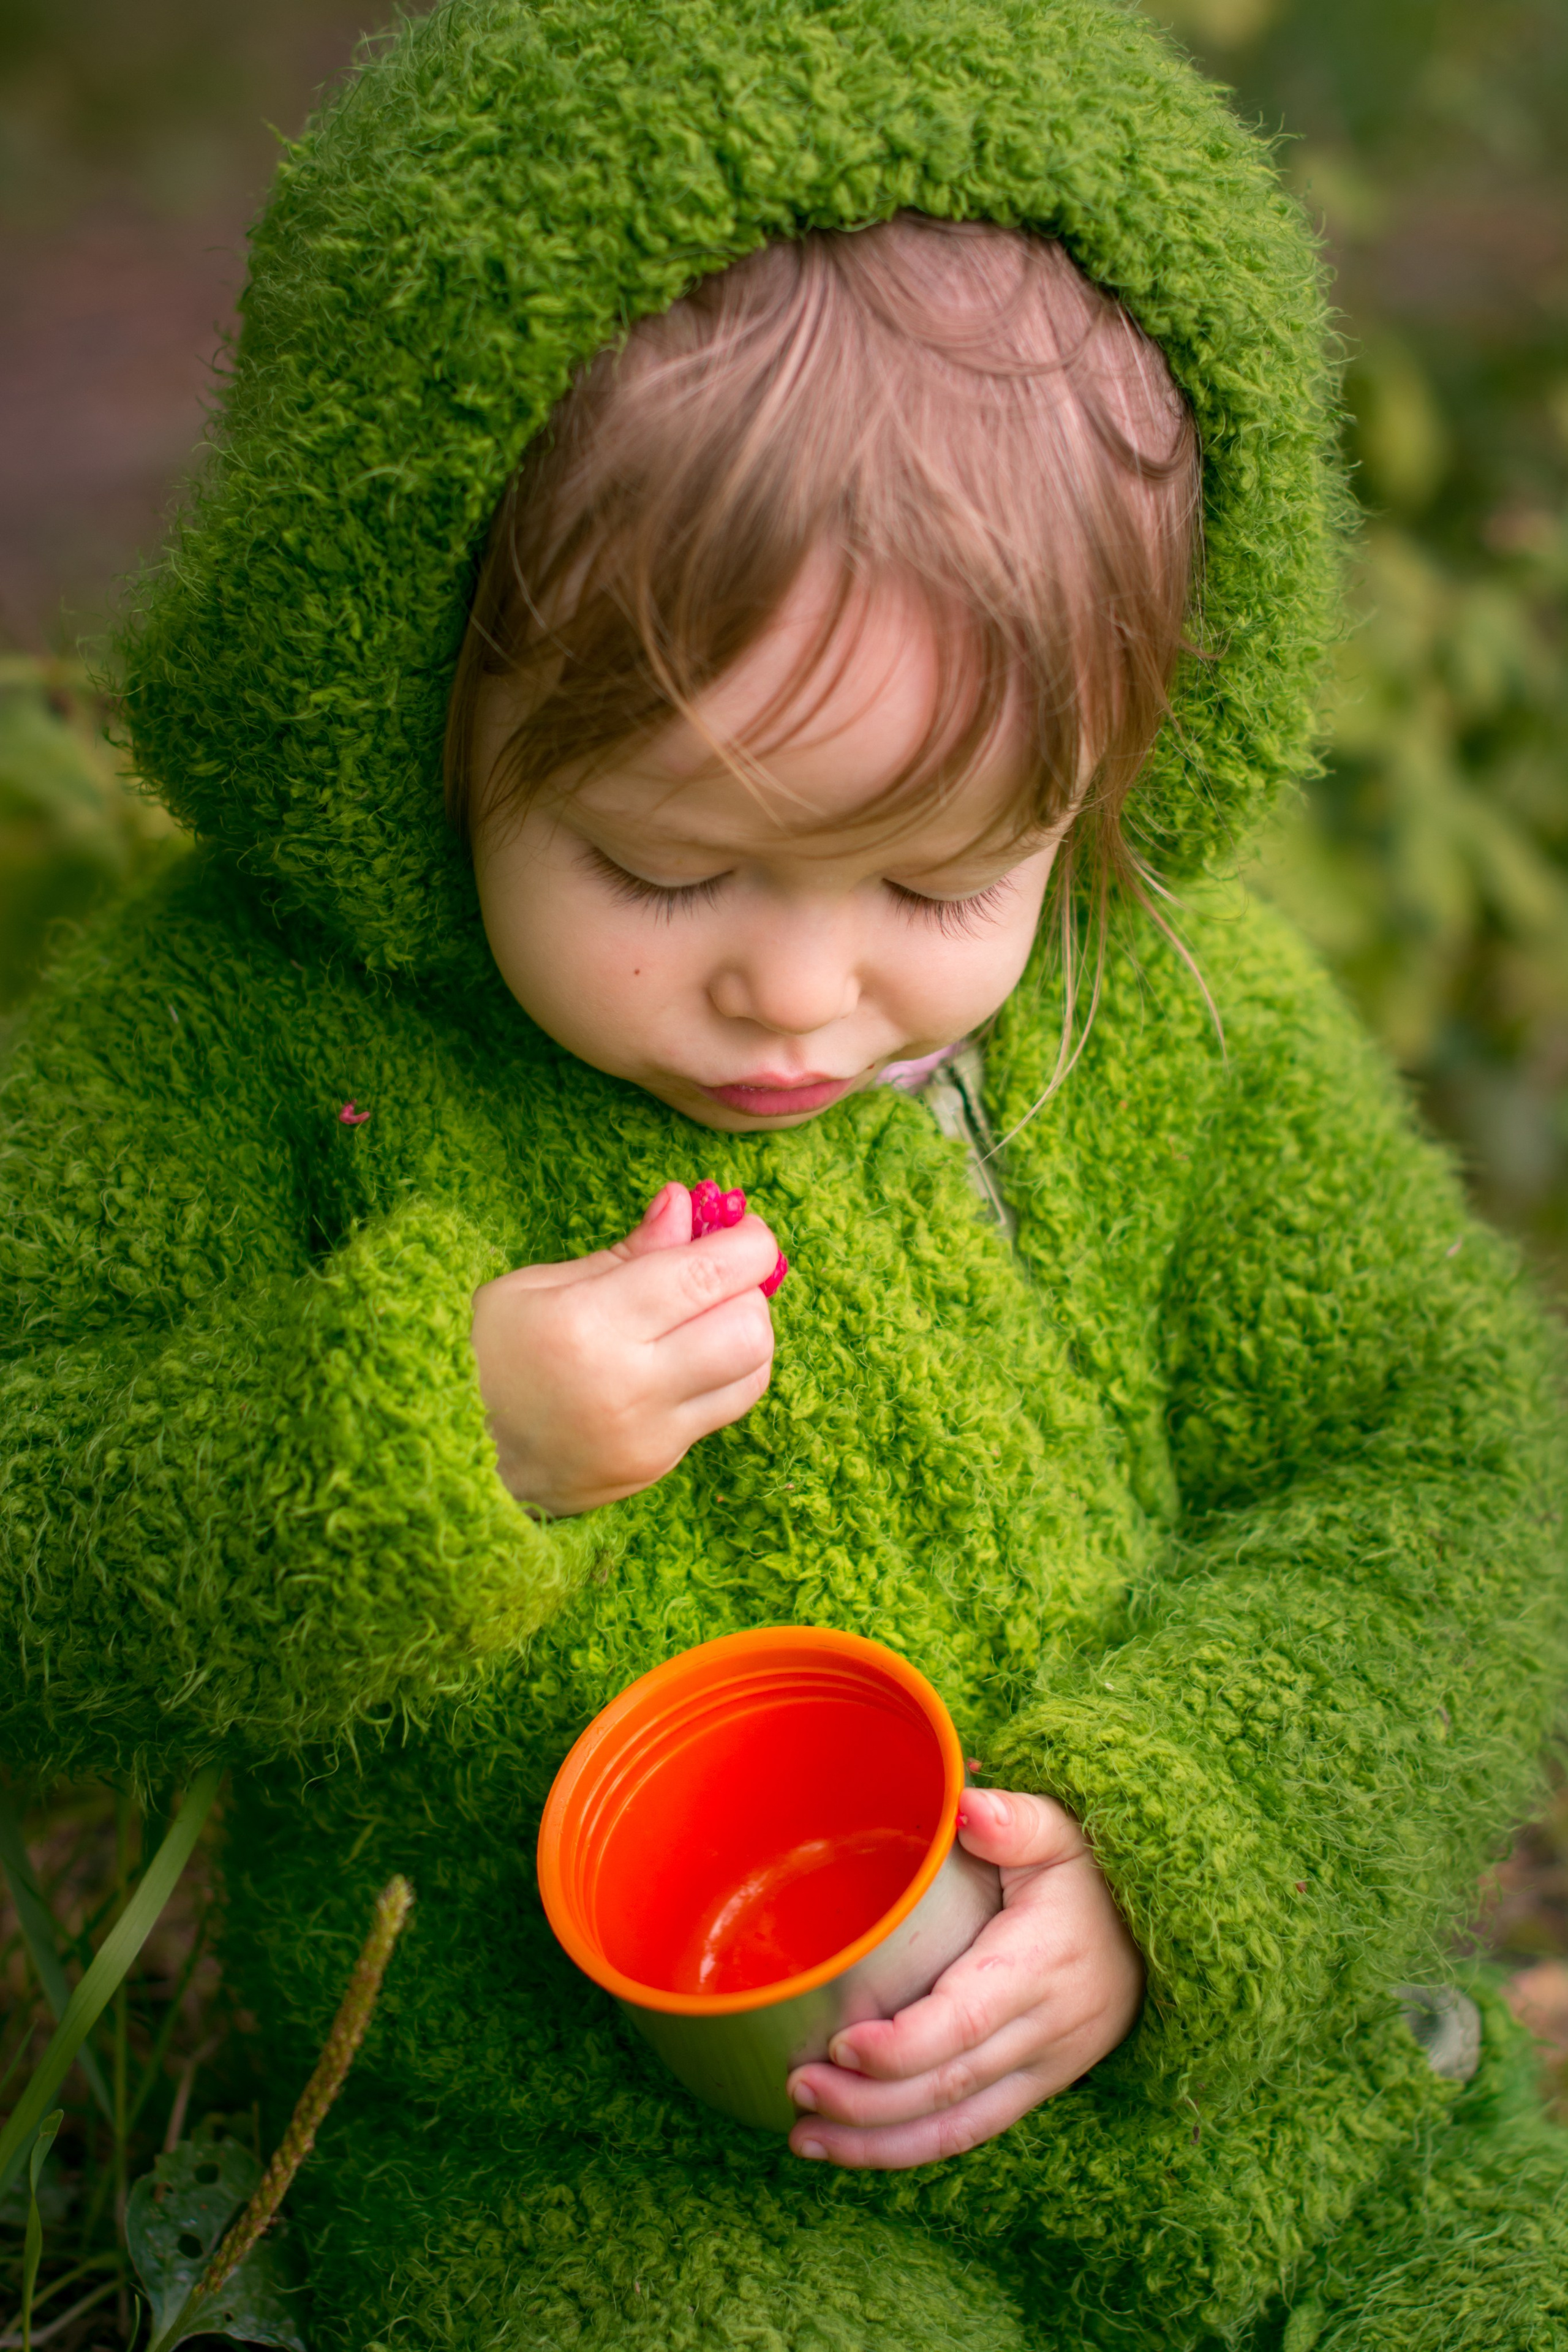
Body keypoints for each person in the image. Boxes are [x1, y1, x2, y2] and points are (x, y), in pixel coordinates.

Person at [2, 0, 1564, 2345]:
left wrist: (1189, 1852)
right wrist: (421, 1436)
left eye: (939, 888)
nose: (804, 999)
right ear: (409, 691)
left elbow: (1445, 1460)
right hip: (592, 2164)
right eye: (660, 866)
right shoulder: (239, 1041)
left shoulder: (1149, 1005)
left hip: (1234, 2114)